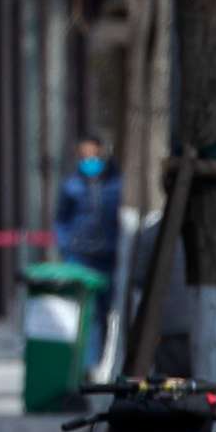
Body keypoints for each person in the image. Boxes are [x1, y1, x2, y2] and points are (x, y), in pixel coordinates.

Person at [54, 135, 123, 364]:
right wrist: (66, 247)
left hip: (107, 257)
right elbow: (61, 219)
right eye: (83, 156)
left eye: (93, 155)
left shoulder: (116, 184)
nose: (89, 161)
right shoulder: (71, 185)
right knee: (84, 312)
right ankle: (85, 364)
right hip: (79, 257)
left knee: (105, 311)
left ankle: (101, 361)